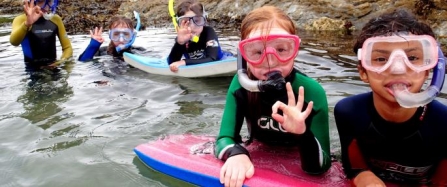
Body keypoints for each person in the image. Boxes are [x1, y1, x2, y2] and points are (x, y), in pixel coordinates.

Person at [214, 6, 331, 187]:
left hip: (300, 156)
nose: (270, 61)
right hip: (259, 149)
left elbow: (320, 167)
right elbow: (224, 139)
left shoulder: (311, 92)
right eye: (257, 52)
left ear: (295, 50)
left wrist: (302, 133)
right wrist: (236, 153)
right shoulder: (240, 85)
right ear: (244, 56)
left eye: (281, 49)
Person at [334, 8, 447, 186]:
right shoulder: (348, 112)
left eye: (412, 57)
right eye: (380, 59)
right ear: (363, 71)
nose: (397, 69)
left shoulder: (444, 122)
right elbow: (354, 169)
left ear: (428, 70)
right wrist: (367, 180)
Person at [167, 0, 230, 72]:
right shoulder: (182, 38)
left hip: (223, 60)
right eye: (186, 22)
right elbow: (172, 63)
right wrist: (180, 42)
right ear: (179, 24)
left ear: (204, 20)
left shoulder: (208, 32)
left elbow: (213, 59)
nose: (192, 26)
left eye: (197, 21)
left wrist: (184, 62)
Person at [10, 0, 73, 69]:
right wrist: (27, 24)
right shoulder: (21, 19)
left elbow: (67, 48)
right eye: (42, 2)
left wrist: (60, 62)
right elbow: (14, 42)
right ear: (30, 3)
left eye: (49, 2)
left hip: (53, 67)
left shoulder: (55, 19)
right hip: (32, 70)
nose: (47, 6)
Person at [78, 13, 146, 62]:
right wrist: (93, 47)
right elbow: (83, 62)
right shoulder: (101, 52)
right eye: (116, 34)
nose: (121, 39)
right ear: (110, 35)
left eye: (126, 34)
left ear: (132, 36)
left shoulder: (139, 51)